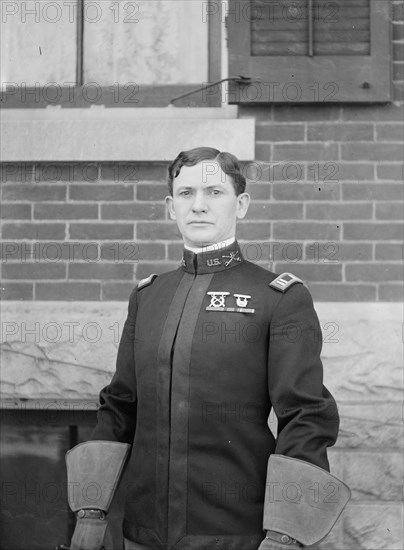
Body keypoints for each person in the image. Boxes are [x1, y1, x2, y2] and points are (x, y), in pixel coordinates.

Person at [65, 147, 350, 550]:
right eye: (186, 194)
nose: (198, 206)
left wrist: (286, 533)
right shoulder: (148, 297)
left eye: (214, 192)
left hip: (236, 535)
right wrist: (91, 511)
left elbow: (307, 417)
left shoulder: (279, 298)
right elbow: (120, 405)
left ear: (242, 204)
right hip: (143, 534)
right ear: (170, 207)